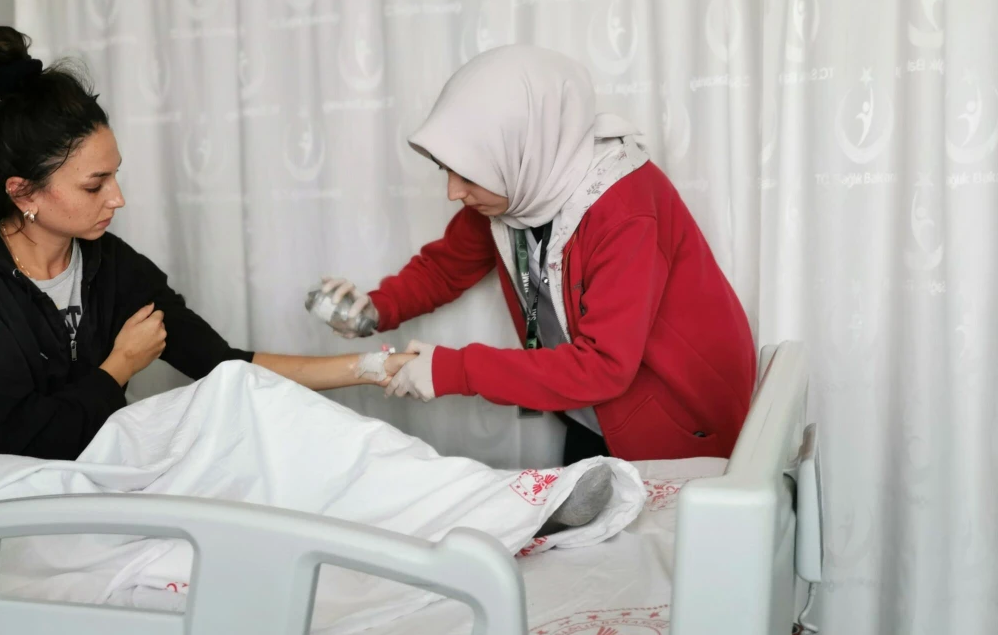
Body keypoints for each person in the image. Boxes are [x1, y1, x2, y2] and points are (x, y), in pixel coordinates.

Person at [0, 27, 409, 527]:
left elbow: (223, 365)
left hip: (64, 493)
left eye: (116, 174)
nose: (117, 198)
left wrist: (372, 367)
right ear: (23, 193)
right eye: (95, 185)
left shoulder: (105, 263)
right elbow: (15, 441)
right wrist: (118, 368)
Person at [318, 45, 757, 466]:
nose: (453, 192)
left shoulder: (623, 208)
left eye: (466, 172)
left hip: (676, 424)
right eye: (445, 169)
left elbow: (604, 366)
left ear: (521, 147)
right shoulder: (521, 179)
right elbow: (444, 269)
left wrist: (452, 370)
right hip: (597, 410)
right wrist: (375, 309)